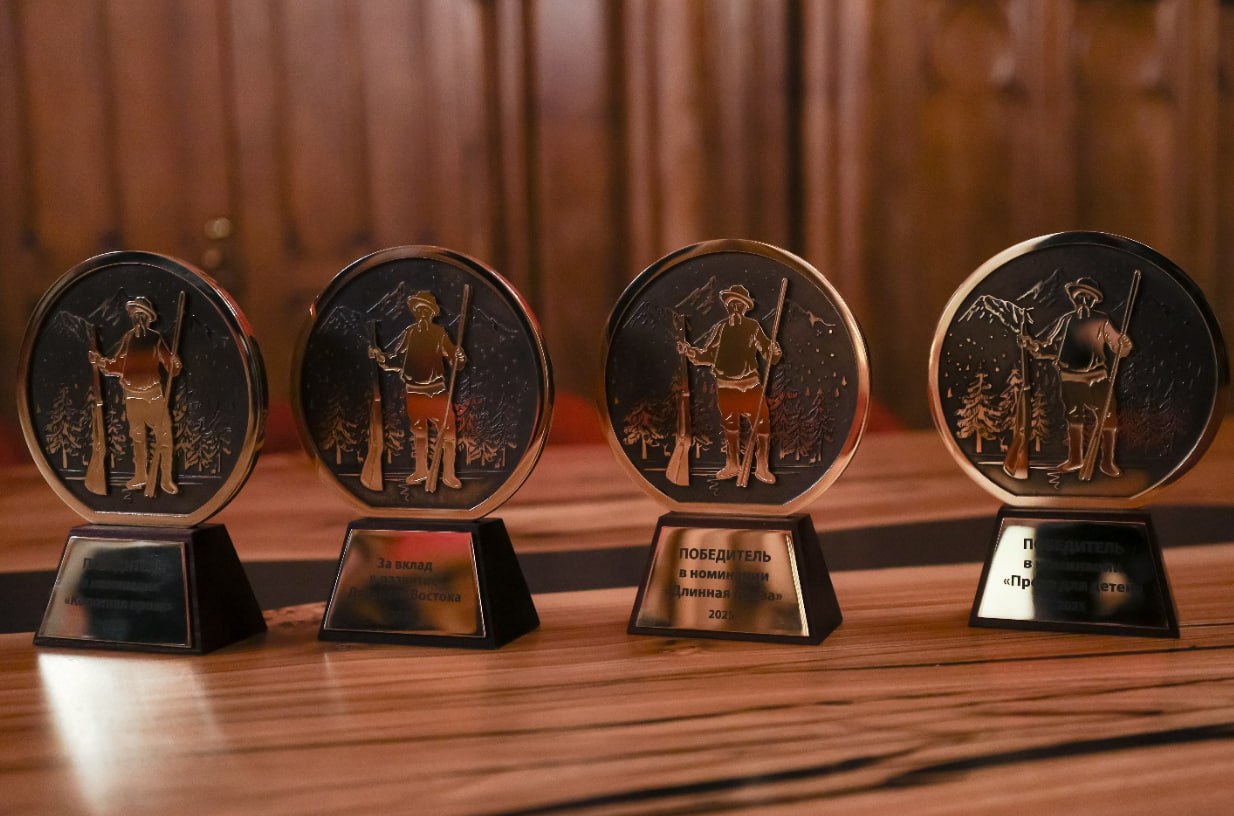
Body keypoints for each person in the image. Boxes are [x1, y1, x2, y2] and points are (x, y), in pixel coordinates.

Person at [1029, 277, 1132, 477]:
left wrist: (1124, 344)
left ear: (1094, 301)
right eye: (1080, 297)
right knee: (1074, 417)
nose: (1084, 301)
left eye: (1088, 297)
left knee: (1108, 418)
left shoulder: (1102, 321)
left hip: (1097, 378)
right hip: (1070, 378)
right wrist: (1034, 347)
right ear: (1074, 299)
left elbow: (1118, 346)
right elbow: (1050, 346)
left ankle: (1107, 462)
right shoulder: (1066, 320)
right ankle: (1075, 459)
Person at [679, 284, 781, 484]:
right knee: (730, 426)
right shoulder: (721, 328)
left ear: (745, 307)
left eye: (739, 304)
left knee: (762, 425)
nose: (735, 307)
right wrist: (690, 351)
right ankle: (732, 464)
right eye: (732, 304)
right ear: (727, 306)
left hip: (750, 385)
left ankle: (762, 466)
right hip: (726, 387)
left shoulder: (753, 327)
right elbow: (708, 355)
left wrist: (774, 351)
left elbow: (768, 353)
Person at [370, 291, 466, 488]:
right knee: (419, 433)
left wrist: (460, 356)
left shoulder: (439, 333)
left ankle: (449, 474)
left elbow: (454, 360)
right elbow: (397, 359)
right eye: (418, 310)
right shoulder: (410, 333)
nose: (422, 313)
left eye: (425, 310)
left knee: (448, 433)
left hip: (437, 391)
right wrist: (381, 358)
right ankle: (421, 470)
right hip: (414, 392)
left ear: (431, 313)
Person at [89, 296, 181, 495]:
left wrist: (175, 364)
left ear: (148, 318)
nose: (138, 319)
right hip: (132, 396)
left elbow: (171, 367)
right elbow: (118, 365)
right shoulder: (128, 339)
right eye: (135, 315)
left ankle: (166, 479)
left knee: (164, 438)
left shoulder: (156, 339)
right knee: (137, 438)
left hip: (153, 395)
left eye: (141, 315)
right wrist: (101, 362)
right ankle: (140, 475)